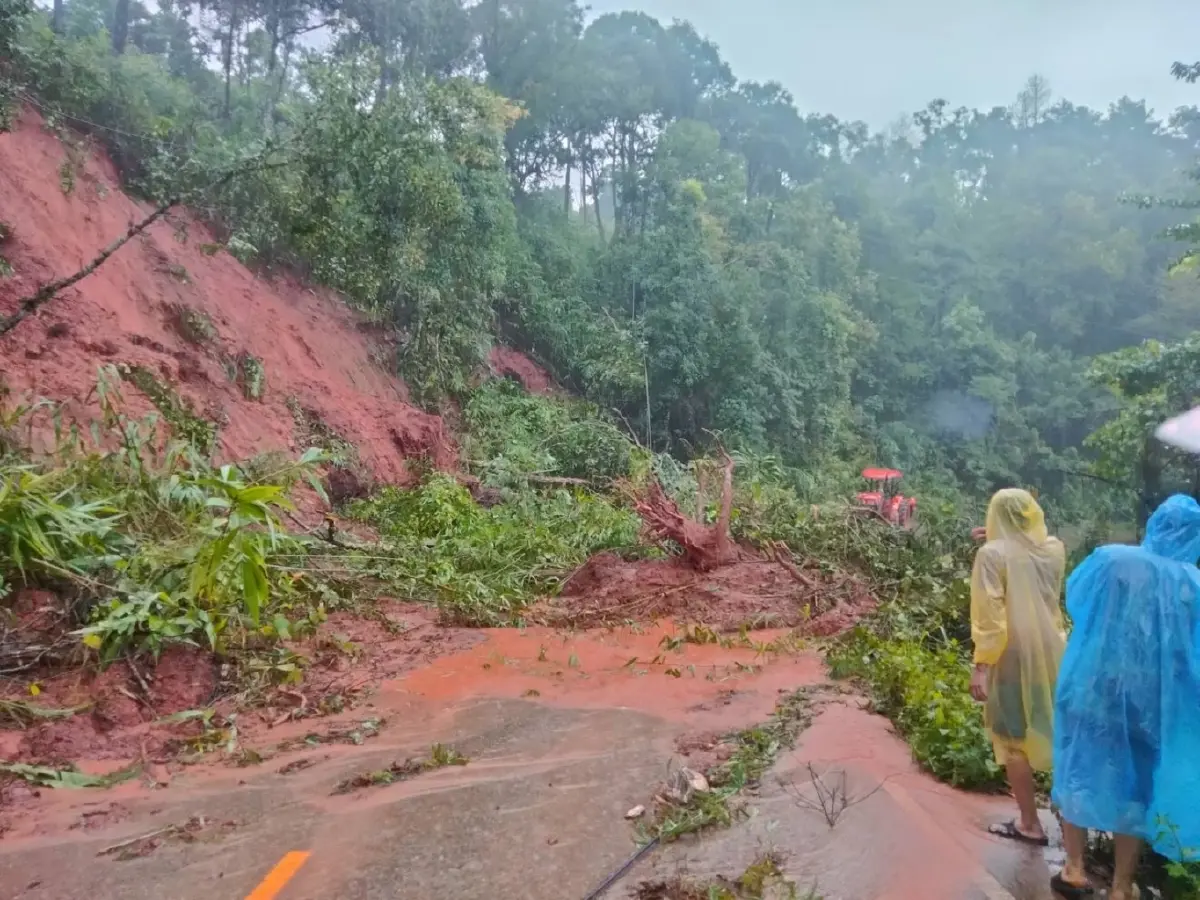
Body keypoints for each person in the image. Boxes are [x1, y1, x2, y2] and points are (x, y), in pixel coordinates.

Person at [1050, 494, 1200, 900]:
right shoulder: (1194, 583)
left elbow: (1077, 601)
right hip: (1151, 705)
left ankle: (1075, 869)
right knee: (1135, 789)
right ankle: (1121, 887)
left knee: (1078, 771)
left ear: (1156, 524)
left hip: (1092, 686)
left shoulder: (1111, 559)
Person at [970, 488, 1067, 846]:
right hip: (1053, 651)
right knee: (1052, 725)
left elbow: (991, 617)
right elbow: (1029, 548)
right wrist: (999, 540)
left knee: (1012, 738)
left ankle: (1030, 823)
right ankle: (1071, 822)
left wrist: (982, 665)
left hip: (1010, 655)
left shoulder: (991, 556)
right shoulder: (1054, 550)